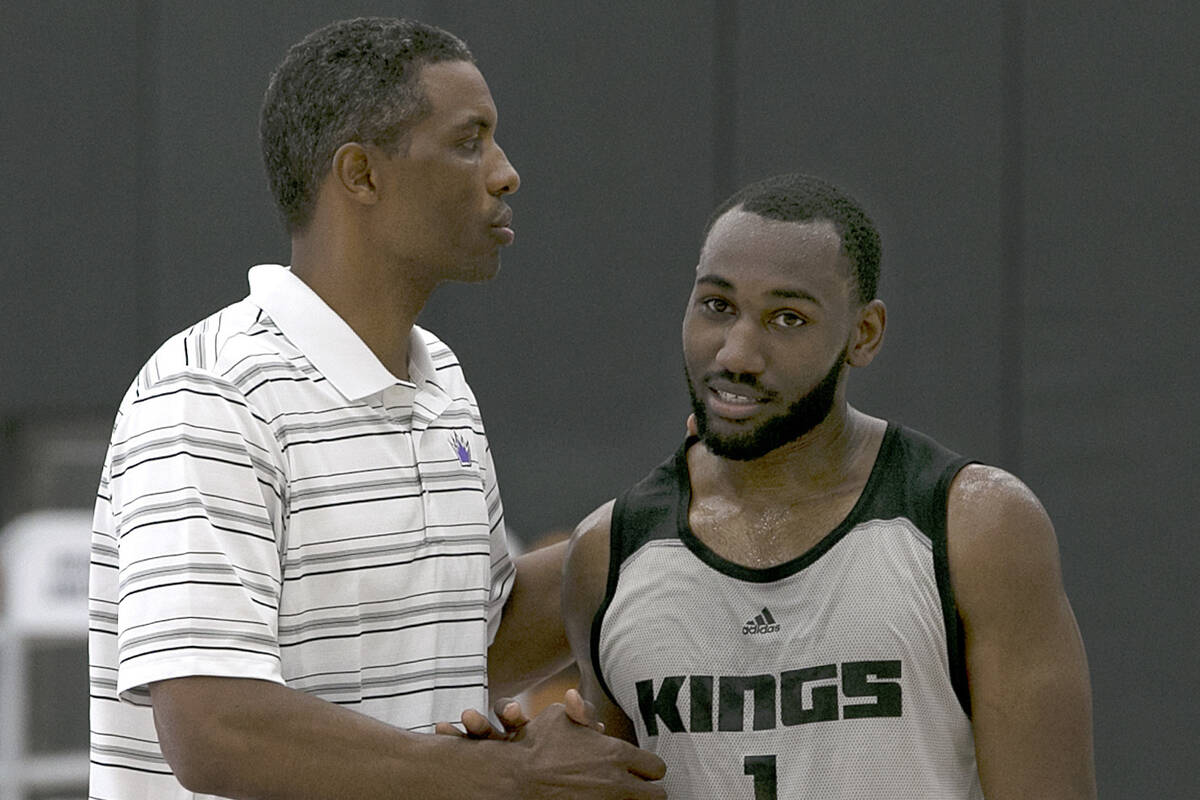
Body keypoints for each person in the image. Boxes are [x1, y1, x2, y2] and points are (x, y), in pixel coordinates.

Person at [88, 17, 664, 799]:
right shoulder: (210, 393)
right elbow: (214, 727)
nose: (505, 174)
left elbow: (473, 638)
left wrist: (671, 521)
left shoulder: (443, 381)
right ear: (360, 173)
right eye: (470, 142)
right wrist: (509, 775)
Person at [563, 173, 1097, 798]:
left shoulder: (975, 527)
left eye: (787, 318)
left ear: (864, 335)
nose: (737, 352)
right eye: (717, 306)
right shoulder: (608, 552)